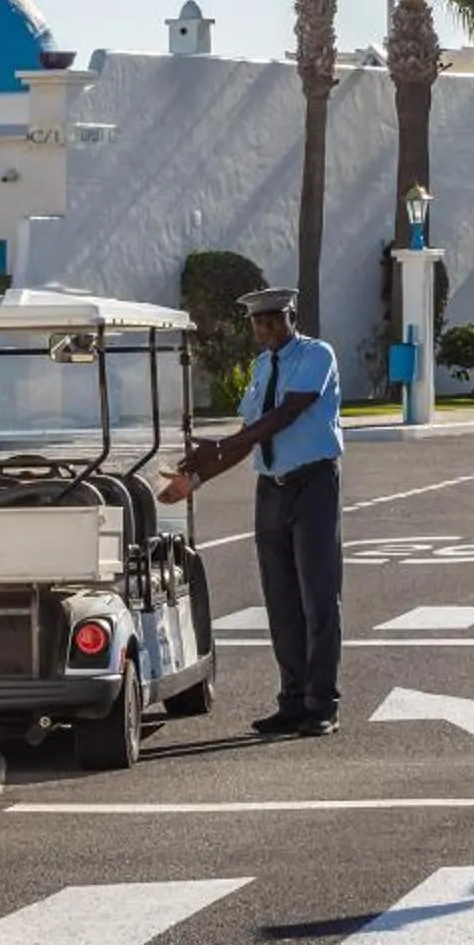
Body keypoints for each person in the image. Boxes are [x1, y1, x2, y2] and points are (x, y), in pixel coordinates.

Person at [159, 287, 344, 736]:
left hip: (314, 483)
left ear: (292, 316)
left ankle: (322, 705)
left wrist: (221, 444)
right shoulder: (262, 368)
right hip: (272, 489)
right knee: (280, 601)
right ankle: (293, 700)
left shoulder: (317, 356)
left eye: (274, 319)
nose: (265, 329)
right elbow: (250, 436)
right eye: (258, 322)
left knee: (318, 598)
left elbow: (285, 416)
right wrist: (196, 477)